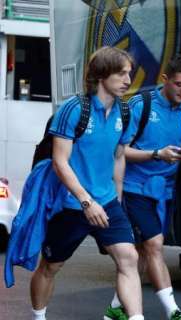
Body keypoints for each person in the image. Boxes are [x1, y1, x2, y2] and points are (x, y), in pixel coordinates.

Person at [29, 47, 144, 320]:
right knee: (50, 267)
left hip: (106, 201)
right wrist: (85, 200)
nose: (129, 79)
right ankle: (38, 316)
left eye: (129, 73)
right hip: (71, 204)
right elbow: (60, 162)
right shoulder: (73, 110)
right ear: (102, 75)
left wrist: (115, 199)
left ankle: (136, 317)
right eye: (122, 73)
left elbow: (118, 158)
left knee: (129, 258)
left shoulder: (125, 112)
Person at [103, 54, 181, 320]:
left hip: (164, 192)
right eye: (180, 84)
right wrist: (156, 154)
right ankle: (174, 312)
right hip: (136, 188)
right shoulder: (140, 106)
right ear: (165, 80)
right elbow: (120, 151)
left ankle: (116, 307)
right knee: (155, 245)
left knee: (141, 254)